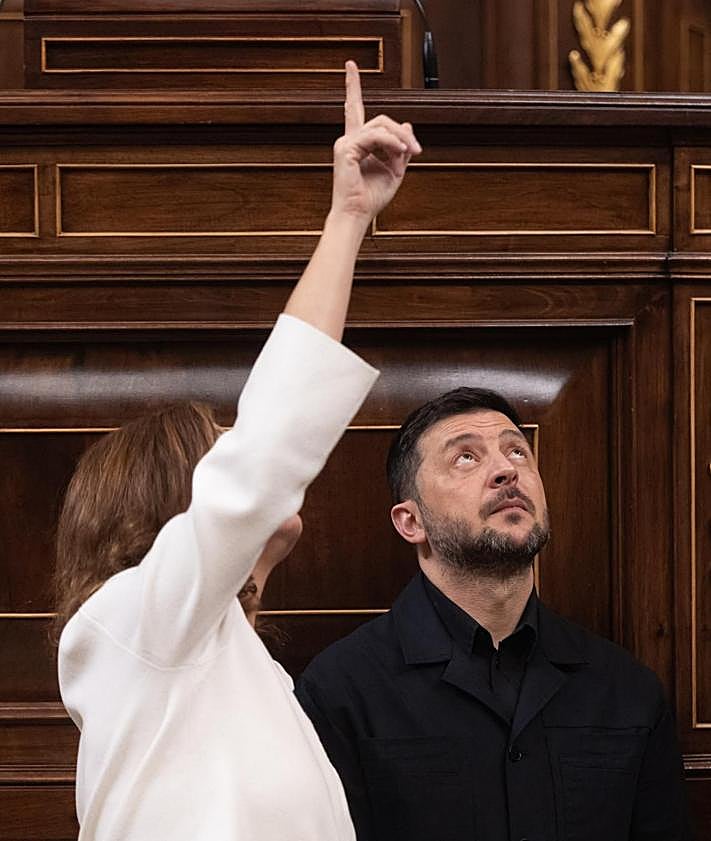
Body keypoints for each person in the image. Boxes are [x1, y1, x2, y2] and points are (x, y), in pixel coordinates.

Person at [52, 61, 421, 841]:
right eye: (219, 455)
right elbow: (270, 447)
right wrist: (347, 218)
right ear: (169, 505)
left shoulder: (236, 665)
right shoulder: (130, 621)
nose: (249, 467)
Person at [295, 387, 691, 841]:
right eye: (465, 457)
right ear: (411, 521)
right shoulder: (339, 691)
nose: (506, 470)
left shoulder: (627, 689)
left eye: (517, 452)